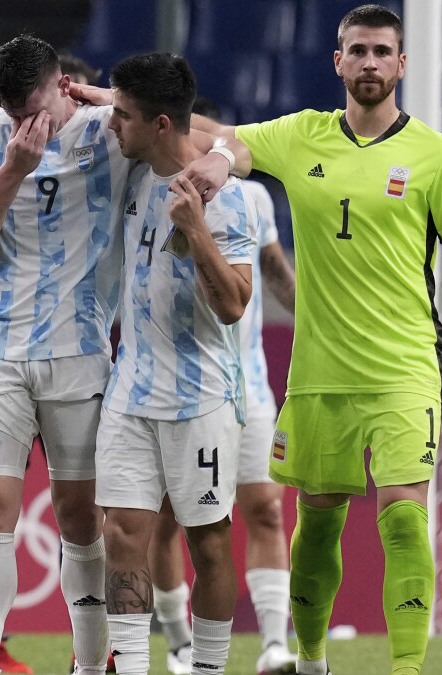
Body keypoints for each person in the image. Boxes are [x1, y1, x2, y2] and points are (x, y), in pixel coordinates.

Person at [188, 5, 442, 674]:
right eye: (356, 50)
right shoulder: (301, 136)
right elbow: (221, 136)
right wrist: (122, 106)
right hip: (319, 372)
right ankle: (310, 659)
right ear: (338, 61)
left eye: (382, 52)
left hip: (405, 367)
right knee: (318, 522)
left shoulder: (437, 156)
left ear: (401, 63)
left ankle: (407, 669)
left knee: (405, 517)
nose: (368, 63)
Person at [0, 33, 129, 675]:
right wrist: (11, 170)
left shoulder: (110, 131)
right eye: (16, 115)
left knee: (81, 517)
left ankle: (87, 664)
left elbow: (190, 130)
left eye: (38, 111)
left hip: (77, 351)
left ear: (63, 86)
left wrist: (114, 97)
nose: (29, 126)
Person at [97, 52, 256, 675]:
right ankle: (133, 666)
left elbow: (234, 306)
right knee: (123, 535)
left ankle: (209, 669)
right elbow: (103, 109)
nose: (115, 127)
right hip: (130, 391)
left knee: (208, 543)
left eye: (125, 117)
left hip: (201, 399)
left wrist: (197, 232)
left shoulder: (229, 200)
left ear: (161, 124)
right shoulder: (134, 174)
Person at [147, 98, 298, 675]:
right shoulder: (151, 189)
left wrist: (317, 316)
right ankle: (181, 643)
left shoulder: (252, 196)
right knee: (167, 518)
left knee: (264, 509)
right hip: (175, 384)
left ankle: (274, 645)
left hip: (248, 384)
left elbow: (276, 274)